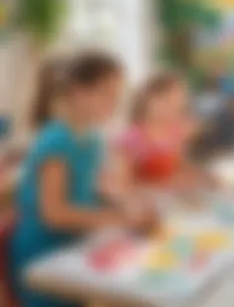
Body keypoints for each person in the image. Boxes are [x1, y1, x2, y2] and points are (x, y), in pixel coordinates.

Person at [10, 52, 155, 307]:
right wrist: (122, 218)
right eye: (107, 94)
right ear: (78, 92)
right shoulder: (55, 140)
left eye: (117, 96)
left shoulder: (93, 138)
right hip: (43, 258)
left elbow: (97, 190)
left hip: (75, 247)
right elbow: (54, 214)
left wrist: (131, 206)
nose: (115, 103)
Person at [116, 72, 216, 191]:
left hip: (174, 198)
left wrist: (204, 176)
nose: (171, 110)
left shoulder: (175, 132)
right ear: (146, 99)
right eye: (166, 101)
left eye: (177, 105)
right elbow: (123, 184)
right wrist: (168, 184)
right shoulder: (131, 138)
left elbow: (180, 166)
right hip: (145, 201)